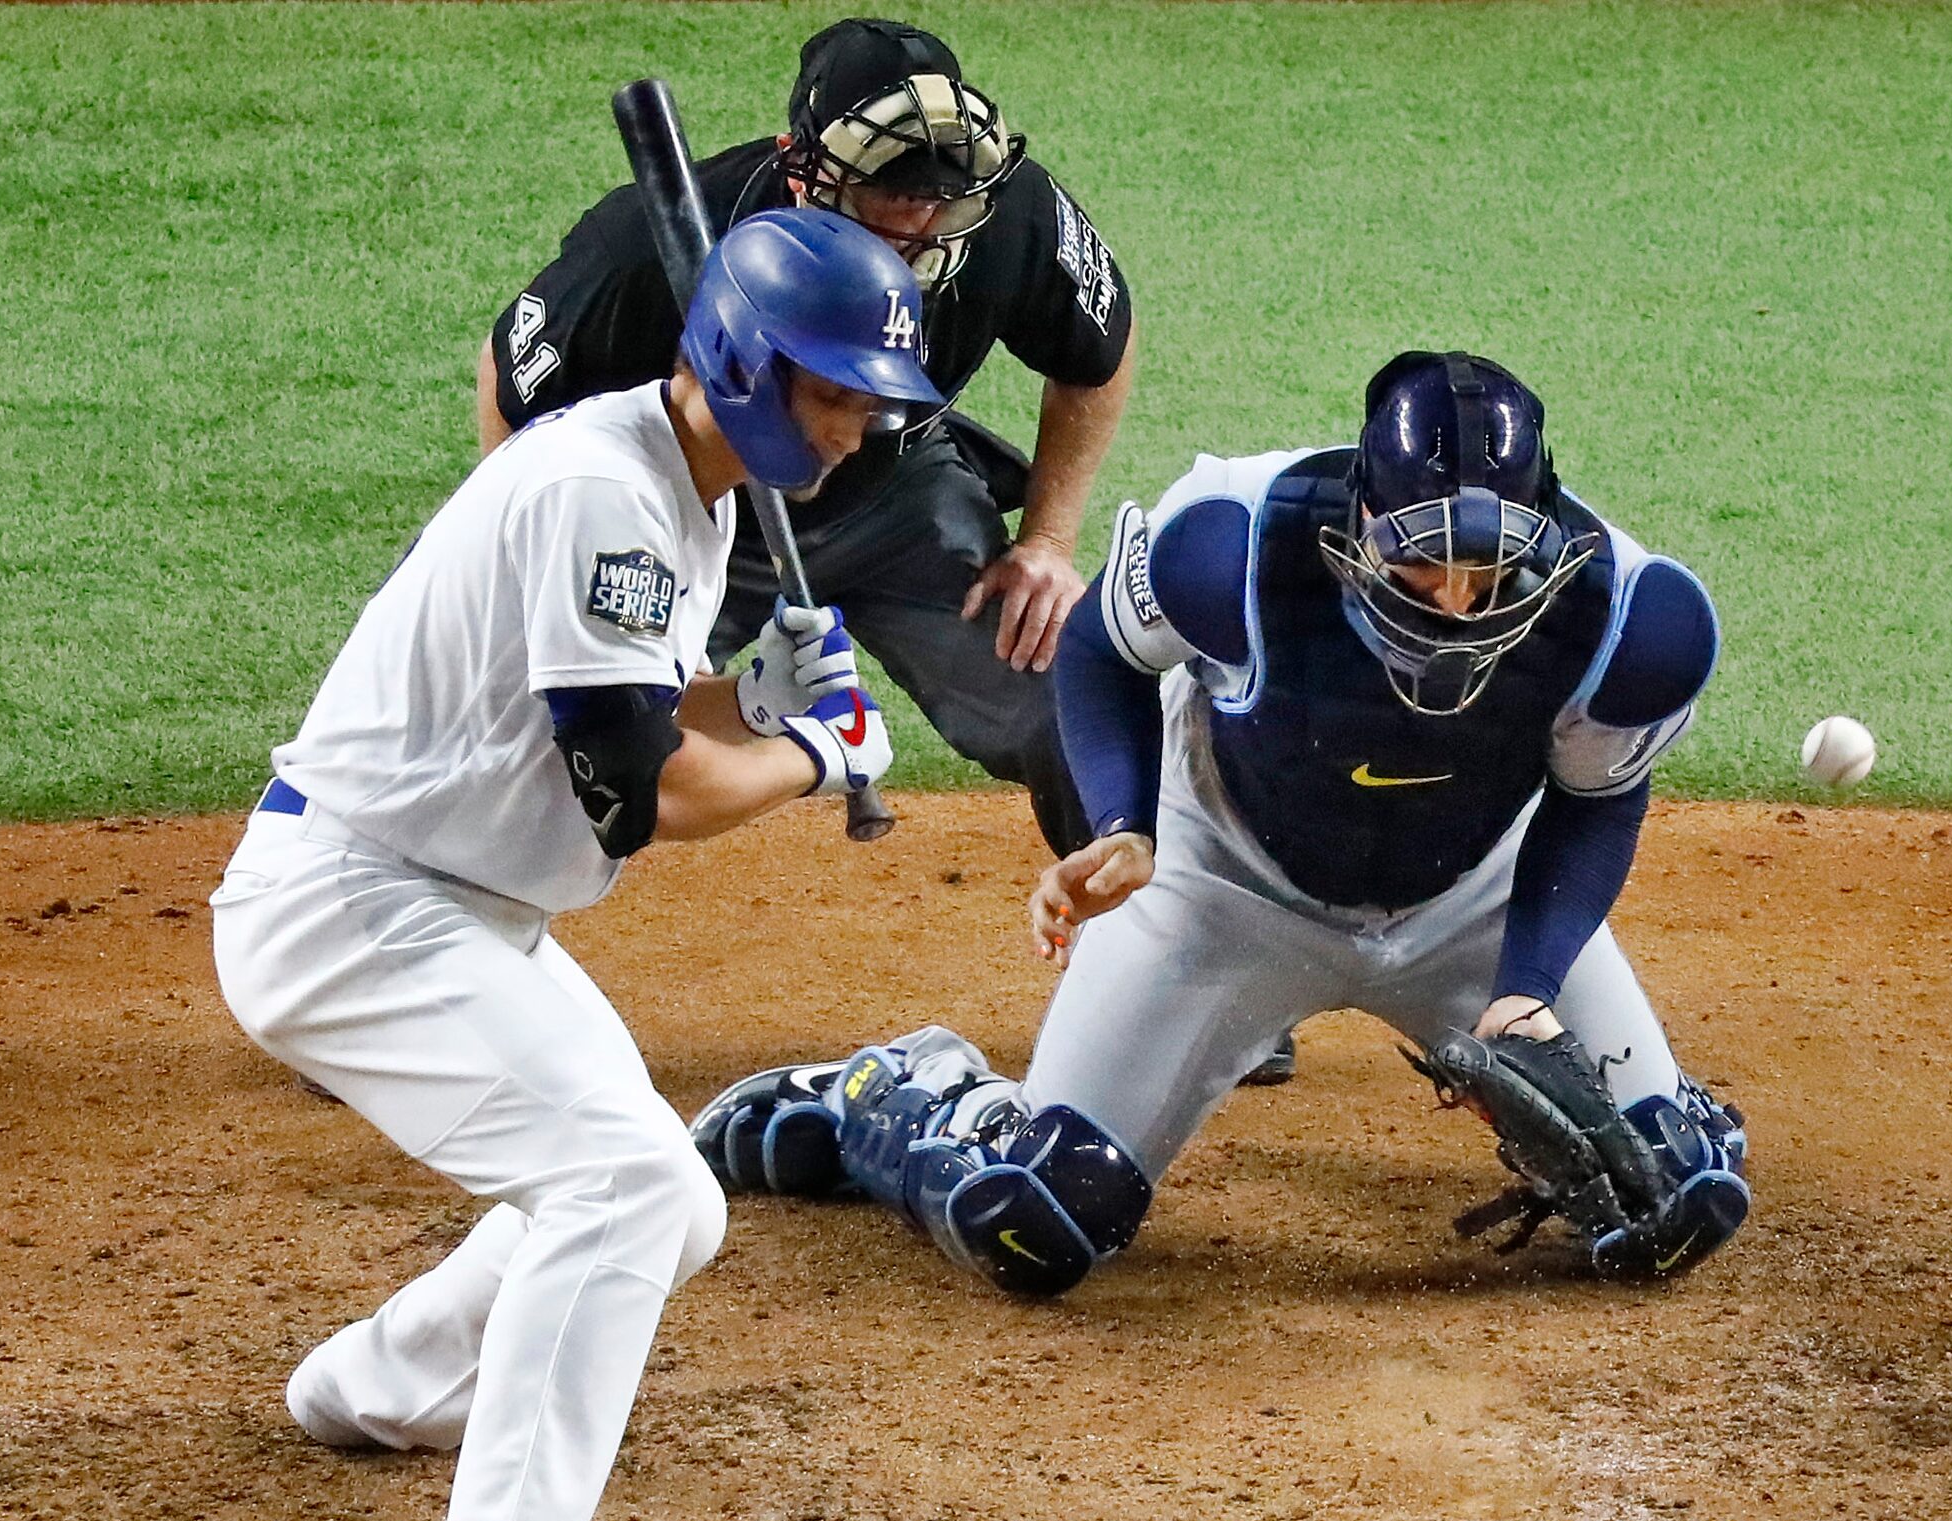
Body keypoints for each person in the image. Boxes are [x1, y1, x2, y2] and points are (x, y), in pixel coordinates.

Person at [212, 210, 933, 1521]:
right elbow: (646, 794)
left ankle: (382, 1381)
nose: (860, 427)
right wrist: (809, 750)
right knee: (629, 1190)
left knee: (660, 1206)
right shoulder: (606, 489)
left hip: (449, 898)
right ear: (740, 364)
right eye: (836, 390)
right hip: (356, 904)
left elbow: (646, 715)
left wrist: (747, 696)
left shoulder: (688, 486)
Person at [689, 351, 1751, 1298]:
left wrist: (1525, 988)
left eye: (1487, 558)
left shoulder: (1632, 617)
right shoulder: (1234, 542)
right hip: (1222, 890)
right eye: (1423, 555)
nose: (1459, 597)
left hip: (1476, 899)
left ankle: (1657, 1100)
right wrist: (1124, 825)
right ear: (1363, 514)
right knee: (1034, 1219)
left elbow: (1595, 799)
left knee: (1668, 1201)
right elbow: (1103, 652)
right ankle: (898, 1097)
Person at [483, 16, 1134, 861]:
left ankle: (1129, 931)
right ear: (806, 170)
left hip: (901, 495)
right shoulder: (653, 245)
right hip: (700, 512)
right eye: (893, 192)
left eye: (940, 195)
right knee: (574, 734)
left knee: (1064, 695)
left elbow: (1100, 352)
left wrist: (1047, 539)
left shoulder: (1009, 217)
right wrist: (539, 562)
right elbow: (511, 378)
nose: (922, 222)